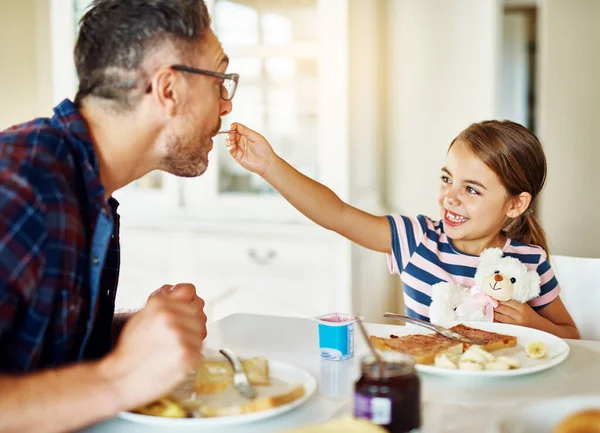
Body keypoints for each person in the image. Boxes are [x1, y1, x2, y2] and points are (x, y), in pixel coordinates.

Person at [0, 0, 236, 431]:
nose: (226, 106)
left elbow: (35, 352)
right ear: (169, 90)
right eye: (220, 81)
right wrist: (120, 378)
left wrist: (137, 333)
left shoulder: (88, 190)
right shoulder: (18, 185)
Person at [225, 121, 579, 339]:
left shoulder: (529, 262)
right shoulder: (418, 239)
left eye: (471, 189)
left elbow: (572, 337)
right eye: (446, 179)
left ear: (515, 204)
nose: (450, 197)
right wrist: (270, 166)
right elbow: (336, 214)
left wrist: (534, 323)